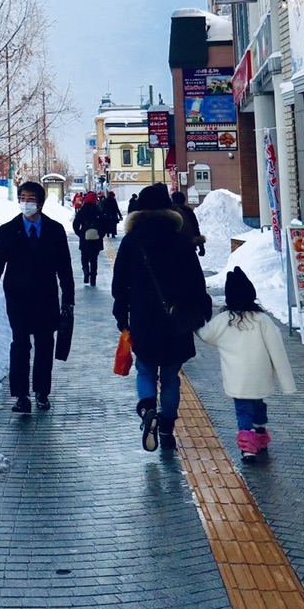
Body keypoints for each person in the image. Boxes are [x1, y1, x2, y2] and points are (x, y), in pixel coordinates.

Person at [112, 187, 212, 452]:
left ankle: (148, 409)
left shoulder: (131, 241)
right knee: (170, 376)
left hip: (143, 317)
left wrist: (121, 313)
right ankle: (166, 428)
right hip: (175, 319)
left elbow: (120, 283)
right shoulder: (179, 240)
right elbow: (196, 280)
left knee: (145, 369)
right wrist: (201, 308)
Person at [0, 180, 75, 413]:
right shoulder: (8, 230)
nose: (26, 203)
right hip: (18, 298)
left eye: (31, 199)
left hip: (46, 298)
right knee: (20, 344)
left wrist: (69, 298)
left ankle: (42, 392)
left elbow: (64, 267)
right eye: (22, 198)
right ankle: (21, 395)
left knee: (45, 345)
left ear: (41, 203)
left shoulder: (55, 230)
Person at [196, 267, 296, 461]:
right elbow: (277, 351)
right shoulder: (262, 320)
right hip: (260, 375)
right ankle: (260, 433)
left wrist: (197, 322)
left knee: (243, 408)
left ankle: (248, 445)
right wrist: (287, 384)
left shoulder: (224, 320)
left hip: (237, 378)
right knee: (258, 403)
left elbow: (206, 335)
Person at [75, 195, 106, 287]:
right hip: (96, 240)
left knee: (84, 257)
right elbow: (104, 225)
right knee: (94, 260)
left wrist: (80, 234)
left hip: (85, 240)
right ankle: (93, 278)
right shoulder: (98, 211)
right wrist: (100, 235)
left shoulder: (82, 211)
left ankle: (85, 270)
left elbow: (76, 224)